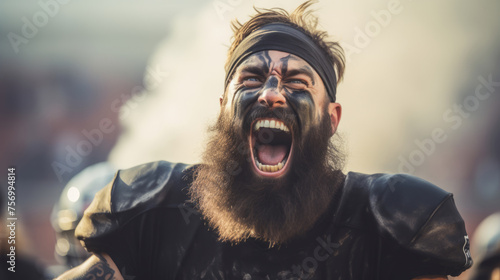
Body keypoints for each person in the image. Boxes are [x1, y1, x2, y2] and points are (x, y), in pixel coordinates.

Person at [56, 1, 473, 279]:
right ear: (223, 107)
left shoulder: (389, 223)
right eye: (252, 78)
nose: (271, 93)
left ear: (332, 119)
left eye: (296, 81)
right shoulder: (152, 214)